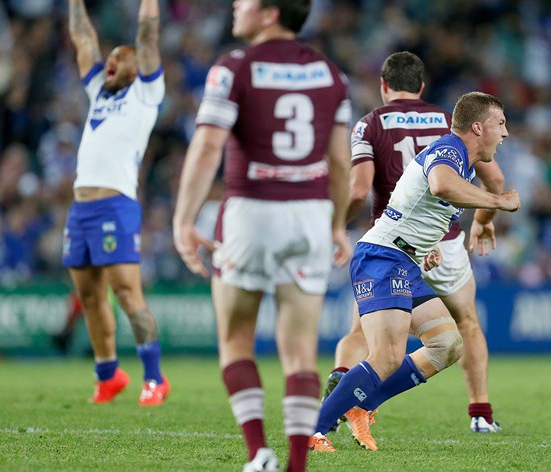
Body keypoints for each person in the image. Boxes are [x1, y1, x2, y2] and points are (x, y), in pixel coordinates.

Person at [171, 1, 352, 470]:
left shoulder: (233, 67)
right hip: (309, 213)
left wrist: (184, 219)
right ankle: (296, 466)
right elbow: (339, 162)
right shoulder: (330, 74)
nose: (237, 5)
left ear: (270, 12)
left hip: (251, 210)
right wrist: (336, 224)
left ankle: (259, 454)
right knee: (300, 351)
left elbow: (208, 145)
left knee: (235, 339)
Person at [309, 91, 520, 452]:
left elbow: (416, 203)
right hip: (381, 259)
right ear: (477, 127)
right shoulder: (450, 149)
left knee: (447, 345)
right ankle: (313, 432)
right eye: (499, 124)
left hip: (402, 261)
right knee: (386, 356)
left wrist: (423, 248)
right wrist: (497, 201)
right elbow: (440, 185)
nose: (505, 133)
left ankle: (363, 405)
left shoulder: (462, 162)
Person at [64, 0, 169, 406]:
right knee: (89, 296)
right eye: (109, 57)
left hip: (115, 205)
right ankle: (108, 375)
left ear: (137, 66)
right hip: (81, 208)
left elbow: (147, 36)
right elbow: (83, 38)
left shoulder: (146, 92)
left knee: (127, 293)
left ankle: (155, 378)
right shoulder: (98, 91)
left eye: (120, 57)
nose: (110, 60)